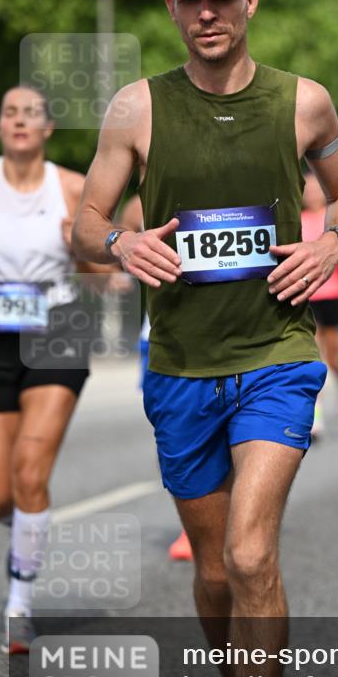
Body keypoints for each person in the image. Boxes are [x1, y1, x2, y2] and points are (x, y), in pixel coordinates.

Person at [72, 0, 338, 677]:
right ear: (171, 8)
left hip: (277, 352)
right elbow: (86, 221)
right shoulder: (137, 108)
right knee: (208, 573)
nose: (207, 11)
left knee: (248, 555)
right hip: (180, 366)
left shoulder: (304, 102)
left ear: (250, 2)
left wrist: (333, 242)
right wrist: (121, 247)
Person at [0, 86, 110, 653]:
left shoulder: (69, 189)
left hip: (57, 329)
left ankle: (19, 604)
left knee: (30, 474)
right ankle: (30, 532)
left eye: (30, 113)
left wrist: (83, 252)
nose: (19, 121)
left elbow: (104, 278)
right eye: (9, 112)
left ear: (48, 128)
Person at [119, 193, 193, 561]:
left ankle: (232, 515)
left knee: (231, 429)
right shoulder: (139, 203)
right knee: (172, 436)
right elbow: (108, 242)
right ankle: (194, 525)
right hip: (160, 336)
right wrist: (120, 262)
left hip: (231, 335)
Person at [300, 171, 338, 435]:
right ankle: (315, 413)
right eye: (308, 189)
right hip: (309, 294)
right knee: (313, 355)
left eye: (316, 189)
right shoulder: (297, 218)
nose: (312, 194)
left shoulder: (334, 217)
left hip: (333, 292)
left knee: (334, 354)